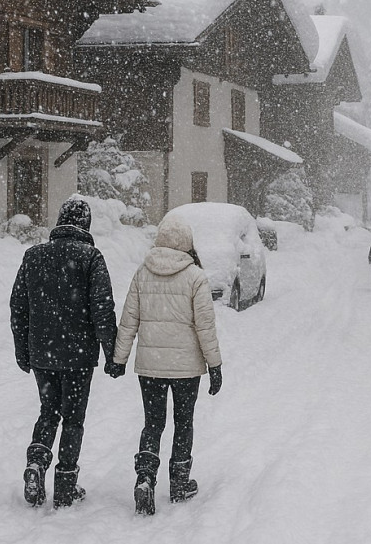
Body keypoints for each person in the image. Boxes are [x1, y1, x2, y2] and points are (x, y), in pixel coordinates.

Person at [10, 198, 122, 510]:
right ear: (85, 225)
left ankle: (36, 462)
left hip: (42, 353)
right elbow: (102, 310)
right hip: (78, 356)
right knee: (73, 419)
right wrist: (113, 354)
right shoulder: (91, 258)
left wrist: (23, 350)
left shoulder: (33, 256)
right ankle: (65, 485)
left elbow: (18, 307)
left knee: (49, 410)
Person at [112, 214, 223, 517]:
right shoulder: (195, 276)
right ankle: (179, 482)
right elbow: (205, 327)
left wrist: (119, 358)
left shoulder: (142, 273)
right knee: (183, 422)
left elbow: (129, 319)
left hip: (150, 366)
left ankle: (146, 477)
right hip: (186, 368)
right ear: (188, 244)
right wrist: (215, 366)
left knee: (153, 423)